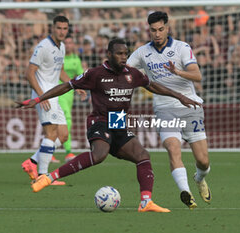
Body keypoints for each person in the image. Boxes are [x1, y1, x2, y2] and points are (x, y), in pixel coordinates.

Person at [16, 38, 201, 212]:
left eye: (125, 54)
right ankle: (48, 177)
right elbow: (67, 86)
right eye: (119, 54)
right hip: (100, 121)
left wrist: (180, 96)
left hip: (119, 122)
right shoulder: (95, 74)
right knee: (99, 155)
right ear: (109, 54)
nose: (123, 57)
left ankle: (146, 202)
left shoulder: (132, 74)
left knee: (143, 156)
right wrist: (39, 98)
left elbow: (153, 86)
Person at [127, 11, 212, 209]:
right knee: (173, 149)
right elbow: (123, 69)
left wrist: (177, 72)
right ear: (149, 30)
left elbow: (197, 75)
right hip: (164, 109)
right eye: (153, 30)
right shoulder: (142, 52)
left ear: (168, 28)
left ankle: (199, 178)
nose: (157, 34)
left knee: (203, 160)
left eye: (160, 29)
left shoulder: (182, 47)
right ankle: (186, 192)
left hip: (190, 106)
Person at [21, 15, 80, 186]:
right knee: (51, 134)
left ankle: (32, 162)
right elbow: (29, 73)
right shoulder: (43, 47)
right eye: (59, 28)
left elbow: (59, 71)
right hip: (44, 95)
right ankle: (43, 176)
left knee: (62, 135)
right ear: (52, 28)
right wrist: (40, 96)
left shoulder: (61, 47)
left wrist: (74, 85)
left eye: (64, 28)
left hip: (53, 95)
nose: (62, 31)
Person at [57, 34, 84, 163]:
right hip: (58, 92)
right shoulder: (58, 57)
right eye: (65, 43)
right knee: (67, 120)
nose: (68, 45)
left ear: (73, 45)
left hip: (70, 95)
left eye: (70, 43)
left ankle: (49, 151)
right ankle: (68, 152)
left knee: (58, 123)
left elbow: (80, 76)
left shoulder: (76, 59)